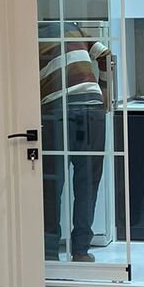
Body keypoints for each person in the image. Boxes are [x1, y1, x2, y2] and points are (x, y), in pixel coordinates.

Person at [39, 22, 111, 262]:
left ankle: (50, 252)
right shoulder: (72, 27)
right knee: (87, 184)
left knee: (51, 186)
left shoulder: (28, 37)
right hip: (92, 111)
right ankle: (80, 251)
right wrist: (104, 95)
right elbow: (106, 57)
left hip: (57, 111)